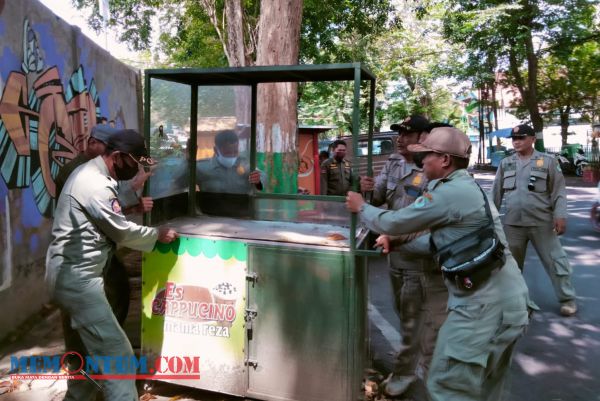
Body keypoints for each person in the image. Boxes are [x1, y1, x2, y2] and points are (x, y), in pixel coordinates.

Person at [347, 127, 530, 401]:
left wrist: (361, 206)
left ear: (444, 160)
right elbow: (443, 243)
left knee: (448, 386)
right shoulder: (464, 187)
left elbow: (394, 221)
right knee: (485, 388)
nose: (422, 162)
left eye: (426, 156)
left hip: (483, 307)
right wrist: (397, 243)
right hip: (507, 302)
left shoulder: (450, 192)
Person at [46, 129, 178, 401]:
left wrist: (133, 194)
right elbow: (121, 232)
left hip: (69, 275)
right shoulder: (94, 183)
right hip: (78, 280)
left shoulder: (93, 174)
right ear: (116, 157)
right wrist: (157, 235)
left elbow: (110, 207)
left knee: (84, 354)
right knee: (118, 355)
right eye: (133, 163)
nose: (136, 168)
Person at [360, 115, 447, 398]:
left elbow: (435, 220)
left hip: (422, 258)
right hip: (395, 254)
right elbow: (378, 198)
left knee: (420, 320)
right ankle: (417, 369)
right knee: (405, 314)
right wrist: (368, 188)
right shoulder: (394, 162)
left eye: (407, 134)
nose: (400, 138)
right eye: (399, 133)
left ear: (424, 137)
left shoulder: (435, 169)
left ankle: (414, 374)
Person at [490, 124, 577, 316]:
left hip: (542, 222)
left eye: (521, 138)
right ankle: (515, 303)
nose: (516, 142)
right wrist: (489, 219)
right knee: (510, 267)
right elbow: (495, 192)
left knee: (556, 262)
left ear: (532, 139)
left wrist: (560, 215)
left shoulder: (547, 161)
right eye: (514, 139)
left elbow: (558, 191)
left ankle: (567, 299)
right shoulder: (506, 163)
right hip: (513, 224)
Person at [196, 130, 263, 194]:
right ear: (216, 150)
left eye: (235, 152)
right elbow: (185, 182)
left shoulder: (245, 165)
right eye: (228, 153)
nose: (232, 156)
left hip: (241, 205)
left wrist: (258, 181)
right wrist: (188, 161)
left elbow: (262, 178)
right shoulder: (202, 168)